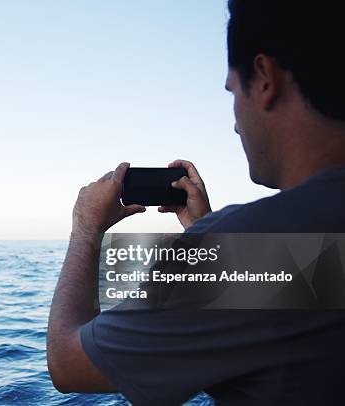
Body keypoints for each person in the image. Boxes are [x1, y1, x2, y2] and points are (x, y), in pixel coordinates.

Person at [47, 0, 345, 404]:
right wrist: (207, 235)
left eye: (232, 92)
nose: (235, 123)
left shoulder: (244, 251)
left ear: (263, 78)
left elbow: (68, 363)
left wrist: (85, 229)